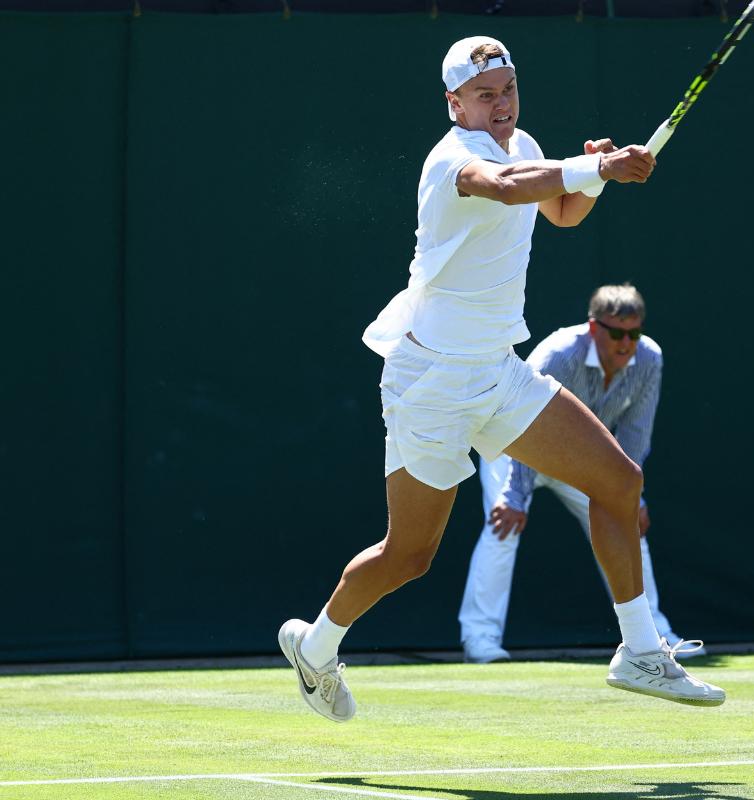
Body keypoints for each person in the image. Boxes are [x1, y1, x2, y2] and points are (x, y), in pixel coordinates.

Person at [277, 36, 724, 723]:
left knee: (618, 480)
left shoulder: (523, 143)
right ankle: (318, 645)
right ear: (454, 103)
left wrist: (595, 176)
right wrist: (596, 162)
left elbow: (564, 211)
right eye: (485, 95)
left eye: (508, 90)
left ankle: (639, 651)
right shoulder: (452, 159)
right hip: (429, 382)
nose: (502, 105)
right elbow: (511, 189)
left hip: (498, 371)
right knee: (410, 555)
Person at [459, 284, 706, 664]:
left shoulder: (649, 359)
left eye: (634, 333)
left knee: (626, 525)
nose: (627, 343)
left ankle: (654, 634)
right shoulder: (560, 354)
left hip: (581, 458)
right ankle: (480, 640)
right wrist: (514, 495)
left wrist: (631, 495)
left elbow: (635, 434)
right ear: (594, 328)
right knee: (502, 527)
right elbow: (522, 423)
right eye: (617, 333)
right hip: (517, 446)